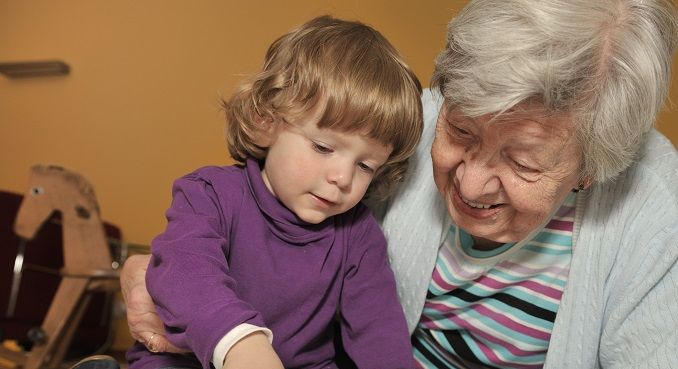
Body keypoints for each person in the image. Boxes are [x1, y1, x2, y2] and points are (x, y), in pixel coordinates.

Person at [120, 0, 678, 368]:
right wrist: (166, 280)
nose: (473, 182)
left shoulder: (653, 206)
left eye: (525, 164)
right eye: (459, 130)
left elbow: (377, 330)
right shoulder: (400, 130)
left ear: (593, 167)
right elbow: (198, 253)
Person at [125, 15, 423, 369]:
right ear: (266, 122)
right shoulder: (208, 195)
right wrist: (239, 342)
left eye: (365, 166)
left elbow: (380, 336)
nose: (343, 177)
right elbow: (186, 271)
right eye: (324, 148)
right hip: (190, 361)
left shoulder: (358, 236)